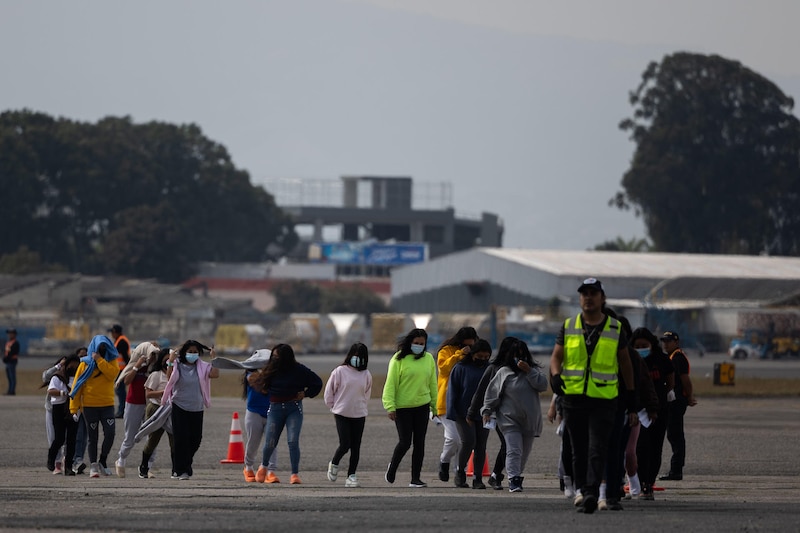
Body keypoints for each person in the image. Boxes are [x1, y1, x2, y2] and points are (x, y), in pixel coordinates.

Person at [549, 278, 638, 514]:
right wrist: (555, 376)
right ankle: (584, 489)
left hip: (604, 398)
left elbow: (625, 363)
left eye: (593, 293)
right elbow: (556, 357)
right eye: (584, 293)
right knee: (579, 449)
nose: (588, 297)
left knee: (598, 446)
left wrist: (630, 394)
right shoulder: (568, 326)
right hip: (574, 397)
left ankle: (590, 493)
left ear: (602, 298)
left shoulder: (615, 328)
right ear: (580, 299)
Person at [482, 337, 548, 493]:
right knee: (513, 450)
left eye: (522, 355)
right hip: (508, 419)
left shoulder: (534, 372)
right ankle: (514, 479)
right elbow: (491, 393)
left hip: (529, 421)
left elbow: (543, 385)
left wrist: (529, 371)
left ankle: (517, 473)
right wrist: (486, 410)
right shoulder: (504, 372)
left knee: (524, 453)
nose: (519, 358)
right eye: (516, 355)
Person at [250, 343, 323, 485]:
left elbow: (317, 383)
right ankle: (263, 466)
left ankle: (294, 474)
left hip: (293, 408)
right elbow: (260, 383)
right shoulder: (271, 369)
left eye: (278, 357)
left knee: (293, 440)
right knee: (270, 441)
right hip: (275, 408)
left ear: (286, 358)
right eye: (274, 357)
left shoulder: (299, 370)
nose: (275, 359)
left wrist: (306, 393)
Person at [382, 328, 437, 488]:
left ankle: (415, 478)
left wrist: (435, 405)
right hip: (402, 408)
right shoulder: (398, 359)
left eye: (422, 344)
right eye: (416, 343)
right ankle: (392, 468)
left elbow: (433, 383)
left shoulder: (428, 359)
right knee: (405, 442)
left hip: (422, 406)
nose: (419, 346)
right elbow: (390, 384)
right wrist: (390, 406)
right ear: (410, 343)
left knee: (420, 443)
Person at [161, 340, 220, 480]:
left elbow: (215, 374)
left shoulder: (203, 366)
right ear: (184, 353)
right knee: (181, 439)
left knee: (195, 439)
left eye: (195, 352)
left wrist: (214, 359)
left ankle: (182, 465)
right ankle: (182, 470)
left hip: (197, 407)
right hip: (179, 406)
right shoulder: (177, 365)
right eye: (190, 352)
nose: (193, 354)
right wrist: (170, 361)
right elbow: (169, 378)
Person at [467, 336, 517, 490]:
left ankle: (496, 474)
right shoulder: (493, 368)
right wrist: (471, 412)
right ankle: (496, 476)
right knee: (506, 444)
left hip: (514, 412)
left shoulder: (519, 368)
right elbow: (480, 392)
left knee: (510, 446)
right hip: (497, 414)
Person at [632, 327, 675, 500]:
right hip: (638, 411)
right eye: (637, 346)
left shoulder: (662, 360)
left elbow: (670, 381)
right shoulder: (630, 360)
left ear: (651, 345)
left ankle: (649, 483)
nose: (641, 349)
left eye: (644, 345)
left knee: (656, 448)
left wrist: (660, 398)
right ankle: (642, 482)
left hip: (659, 410)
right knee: (641, 448)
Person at [69, 335, 120, 478]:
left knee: (110, 433)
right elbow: (77, 386)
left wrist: (99, 360)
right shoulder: (84, 364)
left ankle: (102, 460)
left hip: (107, 405)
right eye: (99, 347)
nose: (102, 349)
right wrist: (74, 408)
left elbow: (112, 374)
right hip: (90, 406)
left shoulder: (111, 361)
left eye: (104, 347)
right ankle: (93, 466)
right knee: (93, 437)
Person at [324, 342, 372, 488]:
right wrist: (333, 406)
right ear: (351, 355)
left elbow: (366, 393)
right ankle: (334, 463)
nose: (358, 359)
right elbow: (329, 392)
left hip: (359, 414)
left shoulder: (366, 374)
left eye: (361, 356)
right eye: (356, 355)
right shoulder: (339, 371)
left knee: (356, 446)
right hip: (341, 413)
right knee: (345, 444)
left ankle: (351, 475)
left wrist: (361, 406)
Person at [446, 338, 492, 489]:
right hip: (462, 412)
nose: (483, 360)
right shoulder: (460, 368)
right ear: (473, 354)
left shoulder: (490, 369)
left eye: (486, 357)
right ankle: (460, 472)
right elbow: (453, 391)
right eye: (480, 357)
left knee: (481, 445)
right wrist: (451, 412)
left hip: (484, 412)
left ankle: (477, 478)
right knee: (468, 441)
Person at [435, 327, 478, 482]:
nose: (468, 347)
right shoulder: (447, 350)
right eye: (466, 344)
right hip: (446, 402)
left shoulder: (475, 352)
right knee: (454, 438)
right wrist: (460, 354)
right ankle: (444, 461)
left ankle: (459, 472)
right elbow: (444, 368)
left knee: (465, 441)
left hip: (466, 403)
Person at [115, 341, 161, 477]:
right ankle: (121, 460)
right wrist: (136, 366)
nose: (153, 357)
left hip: (150, 403)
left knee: (151, 437)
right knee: (130, 436)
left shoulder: (155, 368)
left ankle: (148, 466)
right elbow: (126, 381)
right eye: (152, 354)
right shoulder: (136, 365)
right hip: (134, 402)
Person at [659, 331, 697, 481]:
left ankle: (676, 470)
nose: (665, 344)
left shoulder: (678, 358)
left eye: (669, 341)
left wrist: (690, 396)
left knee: (675, 435)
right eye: (664, 341)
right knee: (673, 435)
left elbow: (685, 379)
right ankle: (676, 470)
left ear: (676, 342)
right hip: (673, 400)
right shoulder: (671, 357)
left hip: (677, 401)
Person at [239, 350, 280, 484]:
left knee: (272, 443)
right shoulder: (251, 375)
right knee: (253, 442)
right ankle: (248, 467)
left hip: (272, 412)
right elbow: (261, 387)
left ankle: (270, 471)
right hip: (254, 413)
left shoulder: (275, 375)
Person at [139, 348, 173, 479]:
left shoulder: (175, 374)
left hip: (170, 409)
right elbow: (148, 394)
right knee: (153, 439)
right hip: (156, 408)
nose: (168, 362)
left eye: (171, 359)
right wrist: (164, 393)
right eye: (166, 359)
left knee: (174, 440)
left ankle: (175, 468)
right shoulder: (156, 375)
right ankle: (144, 466)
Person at [46, 354, 81, 476]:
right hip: (59, 408)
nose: (75, 368)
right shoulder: (58, 377)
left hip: (73, 409)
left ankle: (68, 467)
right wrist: (64, 393)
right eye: (73, 365)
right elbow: (50, 391)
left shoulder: (78, 377)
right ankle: (51, 458)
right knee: (59, 437)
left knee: (71, 440)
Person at [42, 355, 68, 474]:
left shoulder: (71, 375)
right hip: (52, 408)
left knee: (67, 437)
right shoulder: (55, 376)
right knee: (53, 436)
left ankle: (66, 460)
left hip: (67, 409)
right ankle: (57, 462)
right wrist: (59, 365)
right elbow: (45, 377)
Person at [109, 324, 131, 418]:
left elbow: (125, 357)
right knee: (119, 391)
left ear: (115, 332)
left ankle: (122, 411)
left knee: (120, 391)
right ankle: (121, 410)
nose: (111, 334)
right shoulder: (119, 340)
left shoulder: (121, 341)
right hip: (119, 370)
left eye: (112, 332)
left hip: (121, 370)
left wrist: (127, 370)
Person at [4, 327, 20, 395]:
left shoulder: (15, 343)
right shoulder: (8, 342)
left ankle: (12, 391)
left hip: (12, 361)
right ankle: (9, 390)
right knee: (9, 377)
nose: (9, 335)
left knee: (12, 376)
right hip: (8, 361)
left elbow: (14, 352)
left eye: (11, 333)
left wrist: (8, 357)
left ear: (14, 334)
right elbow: (7, 351)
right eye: (9, 333)